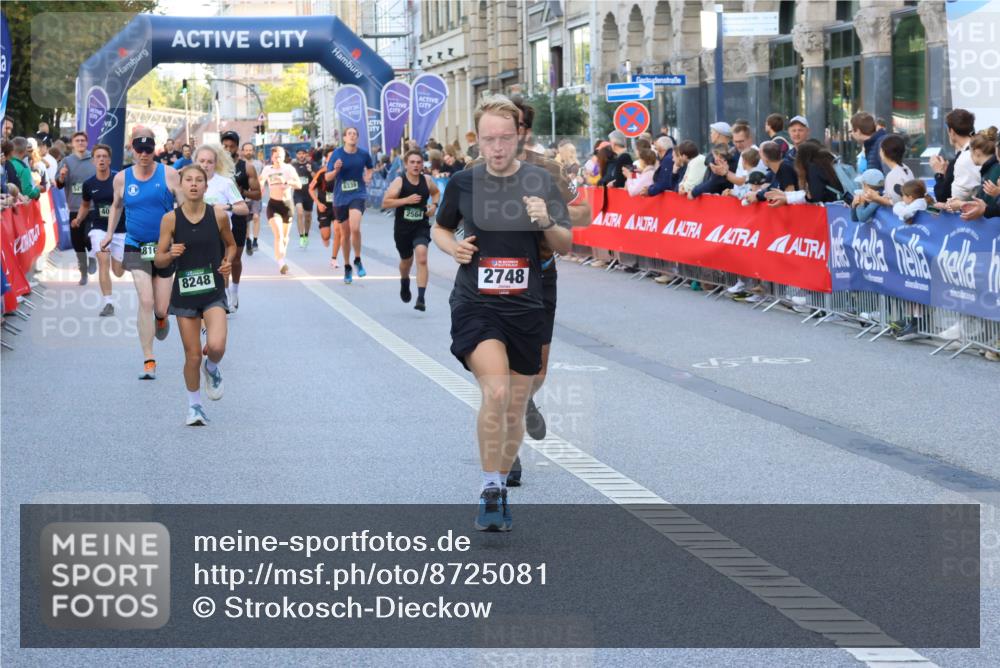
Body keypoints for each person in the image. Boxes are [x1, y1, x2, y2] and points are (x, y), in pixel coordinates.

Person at [432, 95, 572, 531]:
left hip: (528, 303)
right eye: (488, 139)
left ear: (519, 136)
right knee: (495, 391)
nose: (496, 147)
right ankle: (491, 488)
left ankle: (503, 473)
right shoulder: (463, 182)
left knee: (514, 403)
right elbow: (439, 226)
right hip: (476, 301)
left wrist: (546, 220)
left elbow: (566, 244)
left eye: (505, 138)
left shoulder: (541, 179)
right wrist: (453, 245)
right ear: (477, 141)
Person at [154, 164, 236, 426]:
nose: (193, 184)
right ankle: (195, 407)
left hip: (213, 291)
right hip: (185, 294)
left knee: (216, 346)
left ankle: (211, 368)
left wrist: (227, 261)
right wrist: (171, 254)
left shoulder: (219, 216)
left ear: (205, 186)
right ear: (181, 184)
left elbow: (231, 245)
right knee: (191, 355)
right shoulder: (170, 219)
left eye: (198, 180)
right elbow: (158, 259)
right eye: (188, 180)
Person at [101, 128, 180, 380]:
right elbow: (116, 206)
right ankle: (148, 359)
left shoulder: (169, 174)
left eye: (148, 149)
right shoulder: (122, 178)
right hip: (135, 244)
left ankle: (161, 317)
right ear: (132, 150)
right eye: (139, 149)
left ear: (154, 149)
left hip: (164, 247)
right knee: (145, 300)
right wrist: (109, 233)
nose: (144, 154)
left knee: (161, 307)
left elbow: (184, 206)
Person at [381, 149, 440, 311]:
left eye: (419, 162)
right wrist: (406, 200)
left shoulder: (427, 180)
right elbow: (385, 203)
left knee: (421, 257)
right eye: (412, 162)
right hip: (403, 229)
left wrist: (434, 206)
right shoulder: (399, 182)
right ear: (406, 164)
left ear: (422, 164)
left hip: (421, 225)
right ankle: (405, 279)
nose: (415, 165)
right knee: (406, 261)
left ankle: (421, 298)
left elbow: (436, 193)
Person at [195, 143, 249, 312]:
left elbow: (244, 208)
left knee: (220, 268)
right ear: (195, 161)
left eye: (209, 161)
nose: (205, 164)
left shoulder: (225, 183)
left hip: (220, 235)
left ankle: (222, 298)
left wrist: (227, 207)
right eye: (202, 160)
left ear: (215, 163)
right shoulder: (188, 181)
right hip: (195, 235)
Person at [74, 144, 125, 316]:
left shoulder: (119, 179)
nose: (101, 159)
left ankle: (117, 262)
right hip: (99, 228)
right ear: (94, 160)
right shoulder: (89, 184)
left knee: (118, 272)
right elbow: (85, 205)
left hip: (120, 229)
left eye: (104, 156)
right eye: (98, 156)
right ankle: (108, 303)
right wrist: (79, 218)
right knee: (104, 262)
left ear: (109, 160)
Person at [325, 126, 374, 284]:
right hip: (340, 198)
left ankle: (358, 260)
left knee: (355, 228)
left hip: (358, 194)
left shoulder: (363, 154)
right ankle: (347, 266)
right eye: (349, 134)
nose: (352, 136)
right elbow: (327, 178)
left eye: (355, 134)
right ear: (344, 138)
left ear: (357, 138)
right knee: (345, 235)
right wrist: (336, 170)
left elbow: (370, 167)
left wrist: (367, 177)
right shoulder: (337, 154)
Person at [221, 131, 261, 311]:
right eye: (225, 145)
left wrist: (242, 192)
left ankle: (234, 291)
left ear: (237, 147)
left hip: (238, 214)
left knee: (235, 258)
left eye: (232, 146)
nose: (228, 149)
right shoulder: (216, 166)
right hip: (219, 214)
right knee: (222, 257)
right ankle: (224, 295)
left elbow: (258, 194)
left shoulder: (247, 167)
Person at [56, 132, 97, 284]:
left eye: (83, 140)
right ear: (72, 144)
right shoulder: (66, 161)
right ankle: (83, 272)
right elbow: (59, 184)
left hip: (92, 207)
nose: (80, 143)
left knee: (89, 236)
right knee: (78, 243)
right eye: (77, 140)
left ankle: (93, 257)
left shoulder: (94, 160)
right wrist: (61, 176)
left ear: (87, 143)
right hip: (74, 207)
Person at [258, 146, 301, 275]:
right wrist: (260, 187)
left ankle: (281, 256)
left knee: (285, 238)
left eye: (280, 156)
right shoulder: (267, 169)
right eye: (275, 156)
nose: (278, 159)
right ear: (271, 158)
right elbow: (261, 180)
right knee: (279, 235)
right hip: (273, 205)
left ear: (284, 157)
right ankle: (281, 262)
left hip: (287, 205)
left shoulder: (289, 169)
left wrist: (287, 181)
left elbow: (299, 184)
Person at [765, 141, 842, 206]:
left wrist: (787, 197)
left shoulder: (814, 167)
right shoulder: (825, 164)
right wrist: (786, 196)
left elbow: (815, 195)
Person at [931, 108, 979, 202]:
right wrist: (947, 173)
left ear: (952, 132)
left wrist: (939, 174)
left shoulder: (963, 158)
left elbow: (945, 198)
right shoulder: (978, 150)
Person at [309, 147, 343, 268]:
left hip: (338, 206)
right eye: (330, 156)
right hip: (324, 207)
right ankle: (325, 237)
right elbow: (311, 189)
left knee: (338, 230)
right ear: (327, 159)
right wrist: (318, 203)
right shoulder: (322, 172)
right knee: (326, 235)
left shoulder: (342, 171)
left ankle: (334, 258)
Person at [291, 147, 316, 248]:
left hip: (309, 194)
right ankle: (301, 236)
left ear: (306, 155)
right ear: (296, 155)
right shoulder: (293, 166)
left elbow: (316, 178)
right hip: (298, 194)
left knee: (308, 216)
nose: (301, 155)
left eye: (303, 153)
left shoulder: (311, 165)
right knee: (300, 213)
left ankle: (306, 235)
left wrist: (311, 171)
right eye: (299, 153)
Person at [242, 142, 264, 253]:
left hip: (255, 195)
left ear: (253, 151)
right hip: (244, 196)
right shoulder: (239, 164)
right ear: (242, 151)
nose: (248, 152)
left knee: (256, 217)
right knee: (245, 221)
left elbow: (262, 178)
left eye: (250, 150)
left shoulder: (258, 163)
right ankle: (248, 240)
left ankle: (255, 240)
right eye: (246, 150)